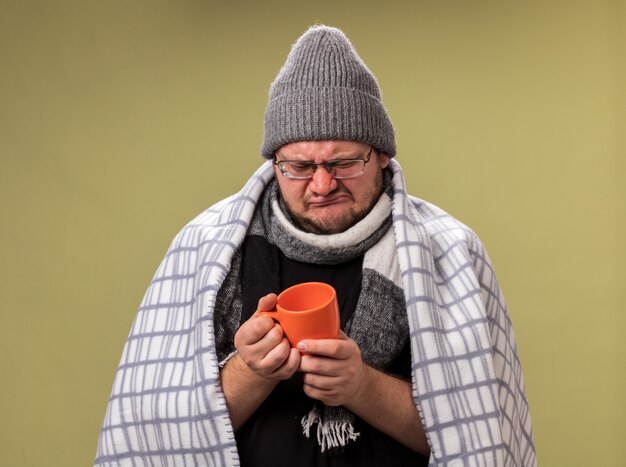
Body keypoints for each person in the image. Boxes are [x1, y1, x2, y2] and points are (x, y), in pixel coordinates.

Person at [95, 25, 536, 467]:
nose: (323, 185)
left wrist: (363, 387)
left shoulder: (449, 252)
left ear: (382, 153)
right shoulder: (206, 248)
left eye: (344, 162)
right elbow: (157, 439)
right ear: (274, 162)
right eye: (300, 166)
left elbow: (479, 435)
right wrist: (250, 370)